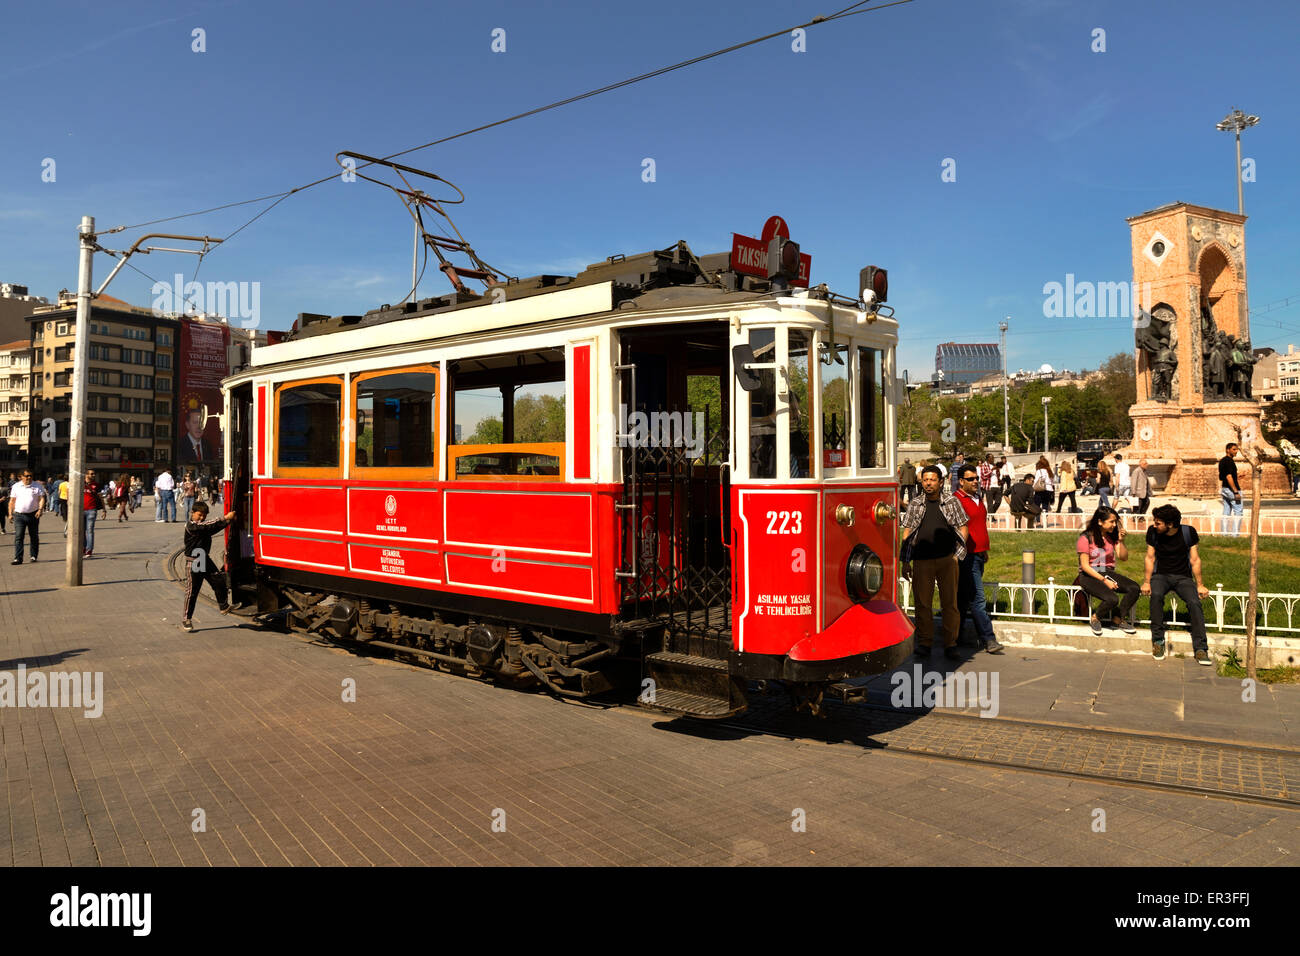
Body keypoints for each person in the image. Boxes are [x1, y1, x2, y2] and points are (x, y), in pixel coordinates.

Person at [899, 465, 970, 660]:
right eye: (925, 480)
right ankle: (925, 642)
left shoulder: (951, 502)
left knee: (950, 603)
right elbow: (908, 532)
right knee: (922, 604)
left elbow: (963, 527)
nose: (928, 483)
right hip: (922, 560)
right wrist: (906, 562)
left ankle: (950, 643)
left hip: (947, 559)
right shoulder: (915, 503)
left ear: (941, 482)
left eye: (932, 480)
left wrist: (957, 555)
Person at [1142, 504, 1211, 663]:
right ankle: (1158, 641)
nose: (1154, 525)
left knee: (1194, 602)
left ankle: (1201, 648)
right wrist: (1147, 582)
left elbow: (1194, 559)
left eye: (1158, 523)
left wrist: (1200, 585)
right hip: (1161, 575)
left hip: (1183, 577)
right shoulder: (1153, 533)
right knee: (1157, 595)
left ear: (1170, 524)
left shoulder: (1188, 532)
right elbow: (1150, 558)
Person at [955, 464, 1003, 654]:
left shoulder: (977, 497)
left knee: (962, 598)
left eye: (976, 478)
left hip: (979, 554)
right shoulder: (956, 501)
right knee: (977, 598)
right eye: (971, 479)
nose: (976, 481)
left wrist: (984, 550)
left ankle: (955, 637)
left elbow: (979, 525)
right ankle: (989, 639)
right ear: (961, 481)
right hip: (966, 556)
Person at [1076, 506, 1140, 636]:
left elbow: (1124, 557)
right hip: (1089, 574)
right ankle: (1095, 618)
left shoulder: (1112, 537)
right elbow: (1085, 566)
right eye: (1111, 521)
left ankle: (1117, 620)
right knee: (1112, 599)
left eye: (1115, 521)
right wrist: (1104, 581)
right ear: (1100, 521)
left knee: (1134, 588)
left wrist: (1121, 541)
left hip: (1107, 572)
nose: (1114, 524)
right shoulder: (1085, 538)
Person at [181, 501, 237, 632]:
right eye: (199, 515)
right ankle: (186, 619)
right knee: (192, 592)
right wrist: (225, 518)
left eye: (204, 516)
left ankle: (223, 606)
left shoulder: (201, 527)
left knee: (218, 580)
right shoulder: (192, 526)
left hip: (204, 559)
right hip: (194, 561)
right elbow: (207, 526)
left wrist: (228, 522)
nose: (201, 518)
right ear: (192, 513)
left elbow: (212, 528)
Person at [8, 470, 45, 564]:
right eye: (27, 476)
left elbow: (41, 499)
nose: (29, 477)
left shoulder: (37, 485)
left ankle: (33, 556)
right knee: (19, 536)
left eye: (31, 476)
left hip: (33, 515)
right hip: (19, 515)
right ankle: (18, 558)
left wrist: (40, 510)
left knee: (34, 536)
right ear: (21, 476)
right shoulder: (16, 486)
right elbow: (12, 501)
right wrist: (10, 514)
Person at [82, 469, 108, 556]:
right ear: (86, 475)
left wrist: (104, 510)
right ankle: (83, 548)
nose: (93, 475)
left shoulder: (97, 485)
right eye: (91, 474)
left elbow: (101, 498)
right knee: (81, 531)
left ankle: (89, 550)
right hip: (80, 510)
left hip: (92, 510)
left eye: (94, 474)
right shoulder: (80, 484)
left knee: (89, 530)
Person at [1219, 442, 1243, 536]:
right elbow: (1229, 477)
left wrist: (1237, 476)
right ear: (1227, 450)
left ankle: (1224, 533)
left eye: (1236, 449)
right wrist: (1236, 491)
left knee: (1226, 511)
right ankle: (1235, 534)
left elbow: (1224, 476)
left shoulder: (1222, 461)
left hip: (1224, 488)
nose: (1236, 451)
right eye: (1234, 449)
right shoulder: (1229, 461)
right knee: (1238, 511)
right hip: (1231, 490)